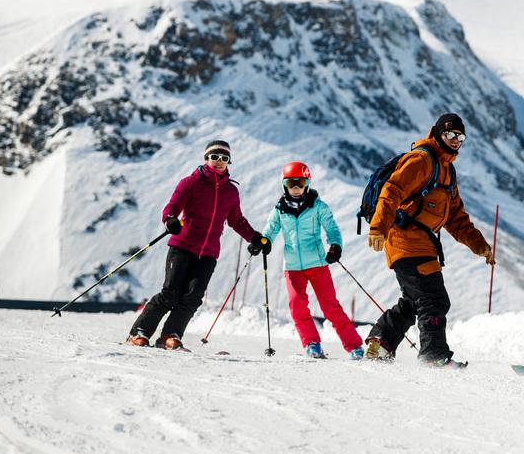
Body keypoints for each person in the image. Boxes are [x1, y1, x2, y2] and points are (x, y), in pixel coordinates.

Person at [364, 113, 494, 367]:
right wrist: (378, 227)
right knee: (434, 299)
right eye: (450, 134)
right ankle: (434, 355)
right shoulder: (421, 160)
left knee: (414, 301)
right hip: (405, 240)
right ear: (437, 133)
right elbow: (392, 190)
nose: (455, 140)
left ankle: (381, 342)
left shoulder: (447, 170)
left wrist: (480, 245)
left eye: (460, 136)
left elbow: (456, 217)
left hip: (421, 243)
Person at [126, 140, 267, 351]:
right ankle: (139, 332)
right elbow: (172, 206)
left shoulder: (230, 191)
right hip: (182, 247)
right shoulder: (190, 183)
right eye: (214, 157)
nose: (219, 161)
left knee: (193, 297)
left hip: (209, 253)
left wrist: (254, 237)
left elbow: (236, 220)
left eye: (224, 158)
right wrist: (170, 219)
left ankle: (170, 336)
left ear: (229, 161)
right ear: (206, 158)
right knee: (170, 293)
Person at [263, 161, 364, 359]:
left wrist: (335, 245)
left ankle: (354, 346)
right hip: (292, 266)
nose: (296, 188)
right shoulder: (279, 210)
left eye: (300, 183)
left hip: (317, 264)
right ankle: (312, 344)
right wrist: (263, 242)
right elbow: (270, 230)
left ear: (307, 184)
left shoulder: (318, 207)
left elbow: (332, 228)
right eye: (291, 183)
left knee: (330, 306)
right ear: (284, 185)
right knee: (297, 306)